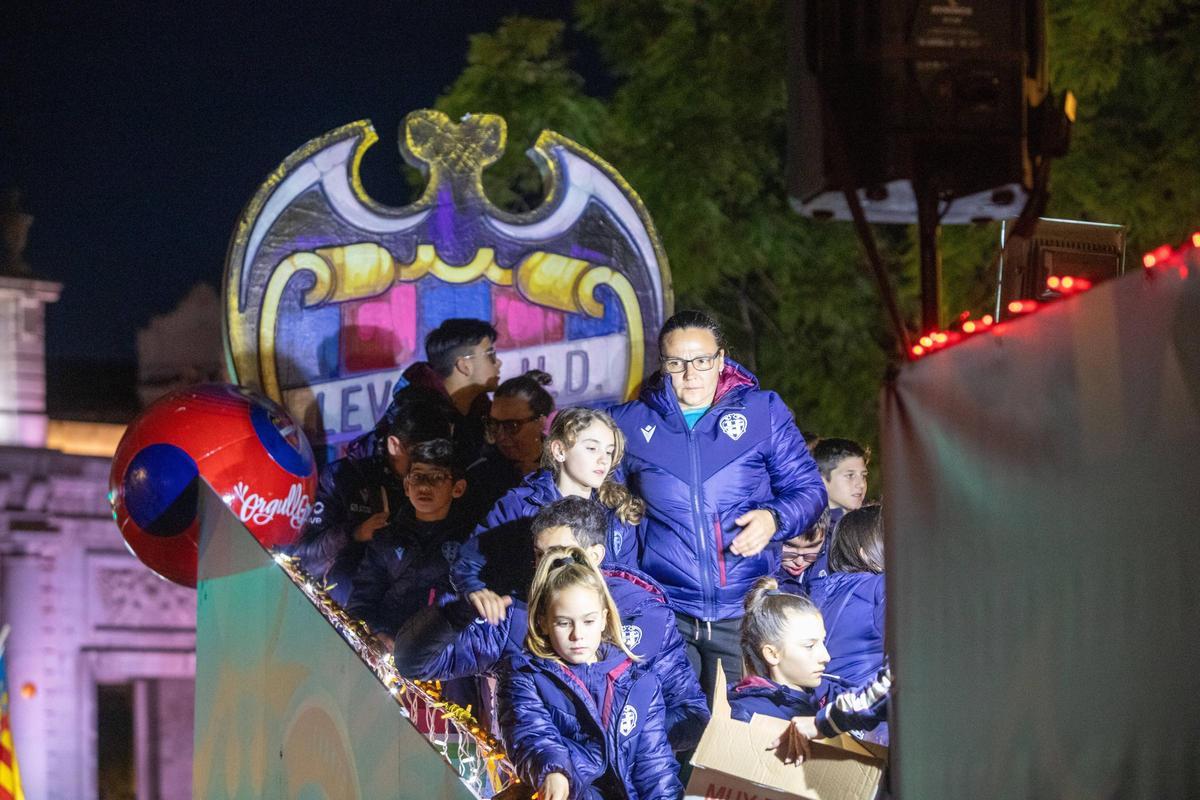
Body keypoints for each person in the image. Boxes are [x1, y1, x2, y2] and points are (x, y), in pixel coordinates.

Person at [608, 309, 827, 697]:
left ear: (721, 359)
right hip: (668, 612)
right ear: (662, 364)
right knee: (675, 728)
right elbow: (612, 512)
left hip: (743, 612)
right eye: (676, 363)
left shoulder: (762, 412)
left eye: (702, 361)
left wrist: (774, 518)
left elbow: (810, 490)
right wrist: (630, 595)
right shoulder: (628, 424)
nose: (690, 374)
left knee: (741, 729)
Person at [393, 497, 708, 753]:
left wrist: (623, 740)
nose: (545, 568)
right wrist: (457, 613)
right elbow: (414, 664)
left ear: (595, 556)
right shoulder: (513, 617)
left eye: (559, 556)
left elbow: (692, 715)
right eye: (539, 555)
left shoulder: (646, 614)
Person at [496, 546, 683, 800]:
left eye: (588, 621)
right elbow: (533, 735)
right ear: (543, 622)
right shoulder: (523, 676)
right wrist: (554, 772)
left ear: (604, 618)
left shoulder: (640, 682)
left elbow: (655, 766)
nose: (577, 635)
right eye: (564, 623)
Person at [453, 407, 644, 609]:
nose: (604, 459)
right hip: (528, 618)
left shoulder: (618, 510)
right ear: (559, 451)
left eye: (609, 451)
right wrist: (479, 595)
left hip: (595, 621)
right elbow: (468, 563)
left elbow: (627, 581)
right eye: (592, 448)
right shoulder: (519, 505)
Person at [289, 398, 452, 604]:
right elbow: (304, 559)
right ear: (394, 446)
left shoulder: (450, 483)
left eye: (439, 457)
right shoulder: (342, 477)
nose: (431, 467)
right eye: (422, 455)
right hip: (348, 606)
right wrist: (356, 533)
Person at [729, 577, 891, 761]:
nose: (826, 657)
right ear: (772, 654)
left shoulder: (836, 695)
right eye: (809, 646)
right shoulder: (748, 715)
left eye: (822, 641)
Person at [346, 439, 469, 643]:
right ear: (406, 485)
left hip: (442, 652)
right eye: (417, 476)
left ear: (457, 488)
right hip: (385, 648)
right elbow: (361, 602)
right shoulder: (386, 539)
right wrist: (378, 635)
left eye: (437, 477)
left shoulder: (470, 543)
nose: (424, 486)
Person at [348, 318, 502, 464]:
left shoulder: (483, 412)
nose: (499, 363)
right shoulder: (418, 420)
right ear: (464, 365)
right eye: (491, 355)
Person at [459, 369, 555, 526]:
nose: (501, 436)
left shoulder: (567, 467)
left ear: (541, 421)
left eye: (512, 425)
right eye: (494, 424)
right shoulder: (479, 478)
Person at [816, 505, 886, 690]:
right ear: (867, 554)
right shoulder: (880, 586)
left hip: (828, 695)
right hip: (867, 698)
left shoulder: (821, 590)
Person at [800, 438, 870, 605]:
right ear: (822, 479)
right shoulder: (807, 530)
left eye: (863, 475)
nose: (861, 484)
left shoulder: (869, 525)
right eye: (850, 476)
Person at [776, 508, 831, 595]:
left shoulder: (836, 559)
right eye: (789, 546)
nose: (799, 562)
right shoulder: (756, 576)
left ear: (824, 538)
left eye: (812, 546)